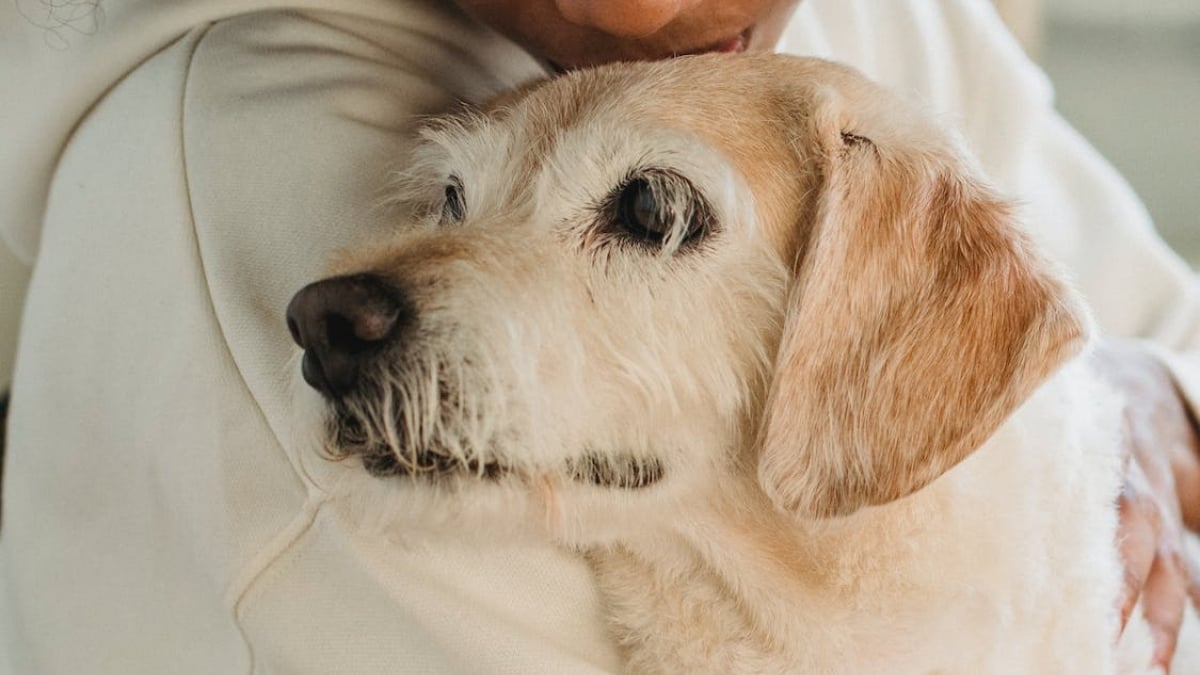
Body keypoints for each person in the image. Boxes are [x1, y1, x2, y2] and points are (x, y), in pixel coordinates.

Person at [1, 0, 1197, 671]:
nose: (686, 11)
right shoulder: (266, 142)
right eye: (653, 211)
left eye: (648, 211)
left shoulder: (885, 30)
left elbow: (1150, 316)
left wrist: (1138, 397)